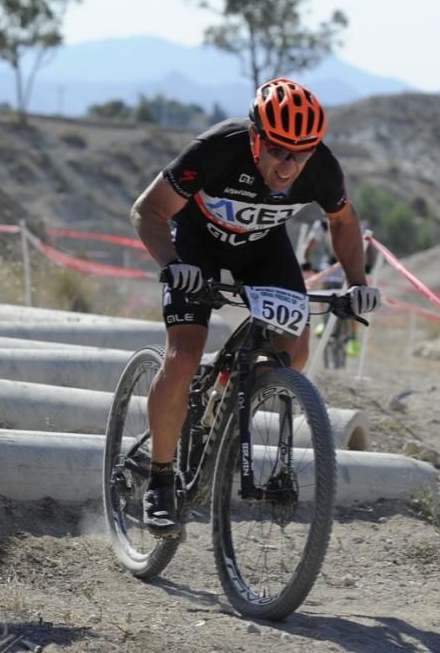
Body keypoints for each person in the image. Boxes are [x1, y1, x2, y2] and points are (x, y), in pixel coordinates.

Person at [130, 78, 381, 537]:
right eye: (278, 152)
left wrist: (357, 282)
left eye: (300, 155)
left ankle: (226, 406)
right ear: (254, 138)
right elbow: (148, 211)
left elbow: (343, 221)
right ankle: (161, 479)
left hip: (263, 251)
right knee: (184, 355)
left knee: (294, 352)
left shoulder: (320, 167)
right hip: (195, 248)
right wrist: (171, 264)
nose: (288, 166)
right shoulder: (215, 150)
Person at [302, 216, 378, 357]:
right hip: (331, 262)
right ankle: (325, 322)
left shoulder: (353, 223)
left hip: (351, 261)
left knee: (356, 294)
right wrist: (306, 260)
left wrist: (368, 265)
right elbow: (310, 245)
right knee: (327, 281)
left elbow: (368, 246)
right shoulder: (322, 225)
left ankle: (353, 337)